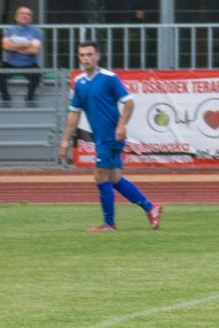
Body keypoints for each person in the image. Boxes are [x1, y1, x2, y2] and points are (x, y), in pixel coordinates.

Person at [57, 42, 162, 233]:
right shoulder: (79, 82)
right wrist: (65, 139)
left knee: (99, 176)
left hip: (110, 136)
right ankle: (150, 207)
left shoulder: (109, 78)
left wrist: (121, 126)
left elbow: (129, 103)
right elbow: (74, 113)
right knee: (114, 178)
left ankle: (110, 224)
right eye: (82, 55)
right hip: (101, 137)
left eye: (89, 54)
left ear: (97, 56)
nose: (85, 58)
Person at [0, 6, 43, 107]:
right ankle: (6, 98)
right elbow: (5, 47)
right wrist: (26, 45)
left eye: (28, 14)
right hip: (10, 63)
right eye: (22, 13)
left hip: (29, 64)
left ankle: (30, 97)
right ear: (16, 17)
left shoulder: (36, 31)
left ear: (31, 18)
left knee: (37, 75)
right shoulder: (9, 30)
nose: (25, 16)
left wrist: (14, 46)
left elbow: (34, 50)